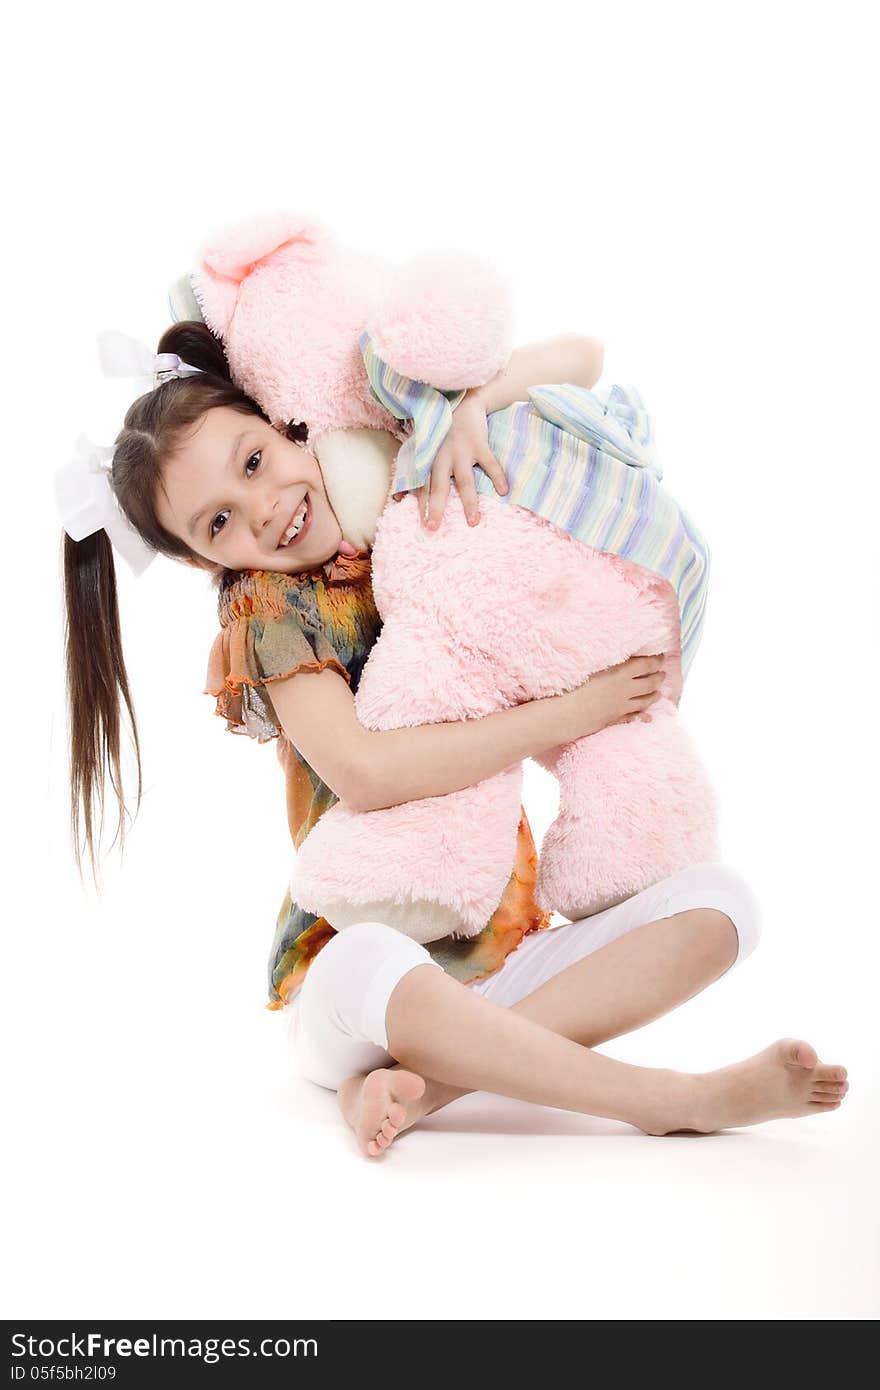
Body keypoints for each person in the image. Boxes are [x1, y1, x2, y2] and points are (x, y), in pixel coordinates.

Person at [58, 322, 848, 1159]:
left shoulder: (397, 482)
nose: (264, 510)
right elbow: (365, 774)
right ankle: (665, 1100)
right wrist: (571, 713)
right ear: (198, 561)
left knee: (722, 906)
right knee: (373, 960)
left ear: (284, 423)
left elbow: (582, 357)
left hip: (501, 956)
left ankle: (425, 1089)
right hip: (351, 984)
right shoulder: (270, 611)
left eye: (253, 462)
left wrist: (470, 409)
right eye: (218, 523)